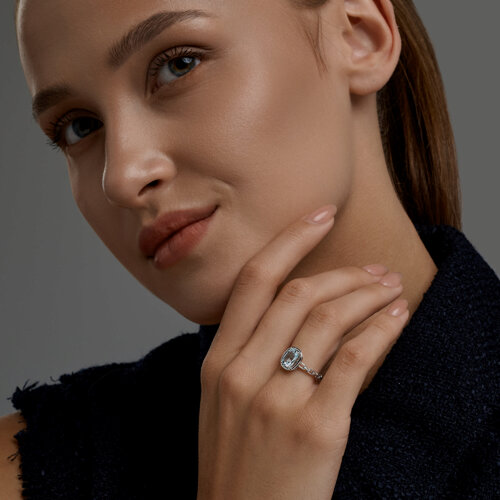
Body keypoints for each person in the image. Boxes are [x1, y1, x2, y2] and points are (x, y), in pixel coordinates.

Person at [0, 0, 498, 498]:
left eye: (178, 65)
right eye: (80, 126)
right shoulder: (26, 471)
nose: (122, 177)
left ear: (360, 37)